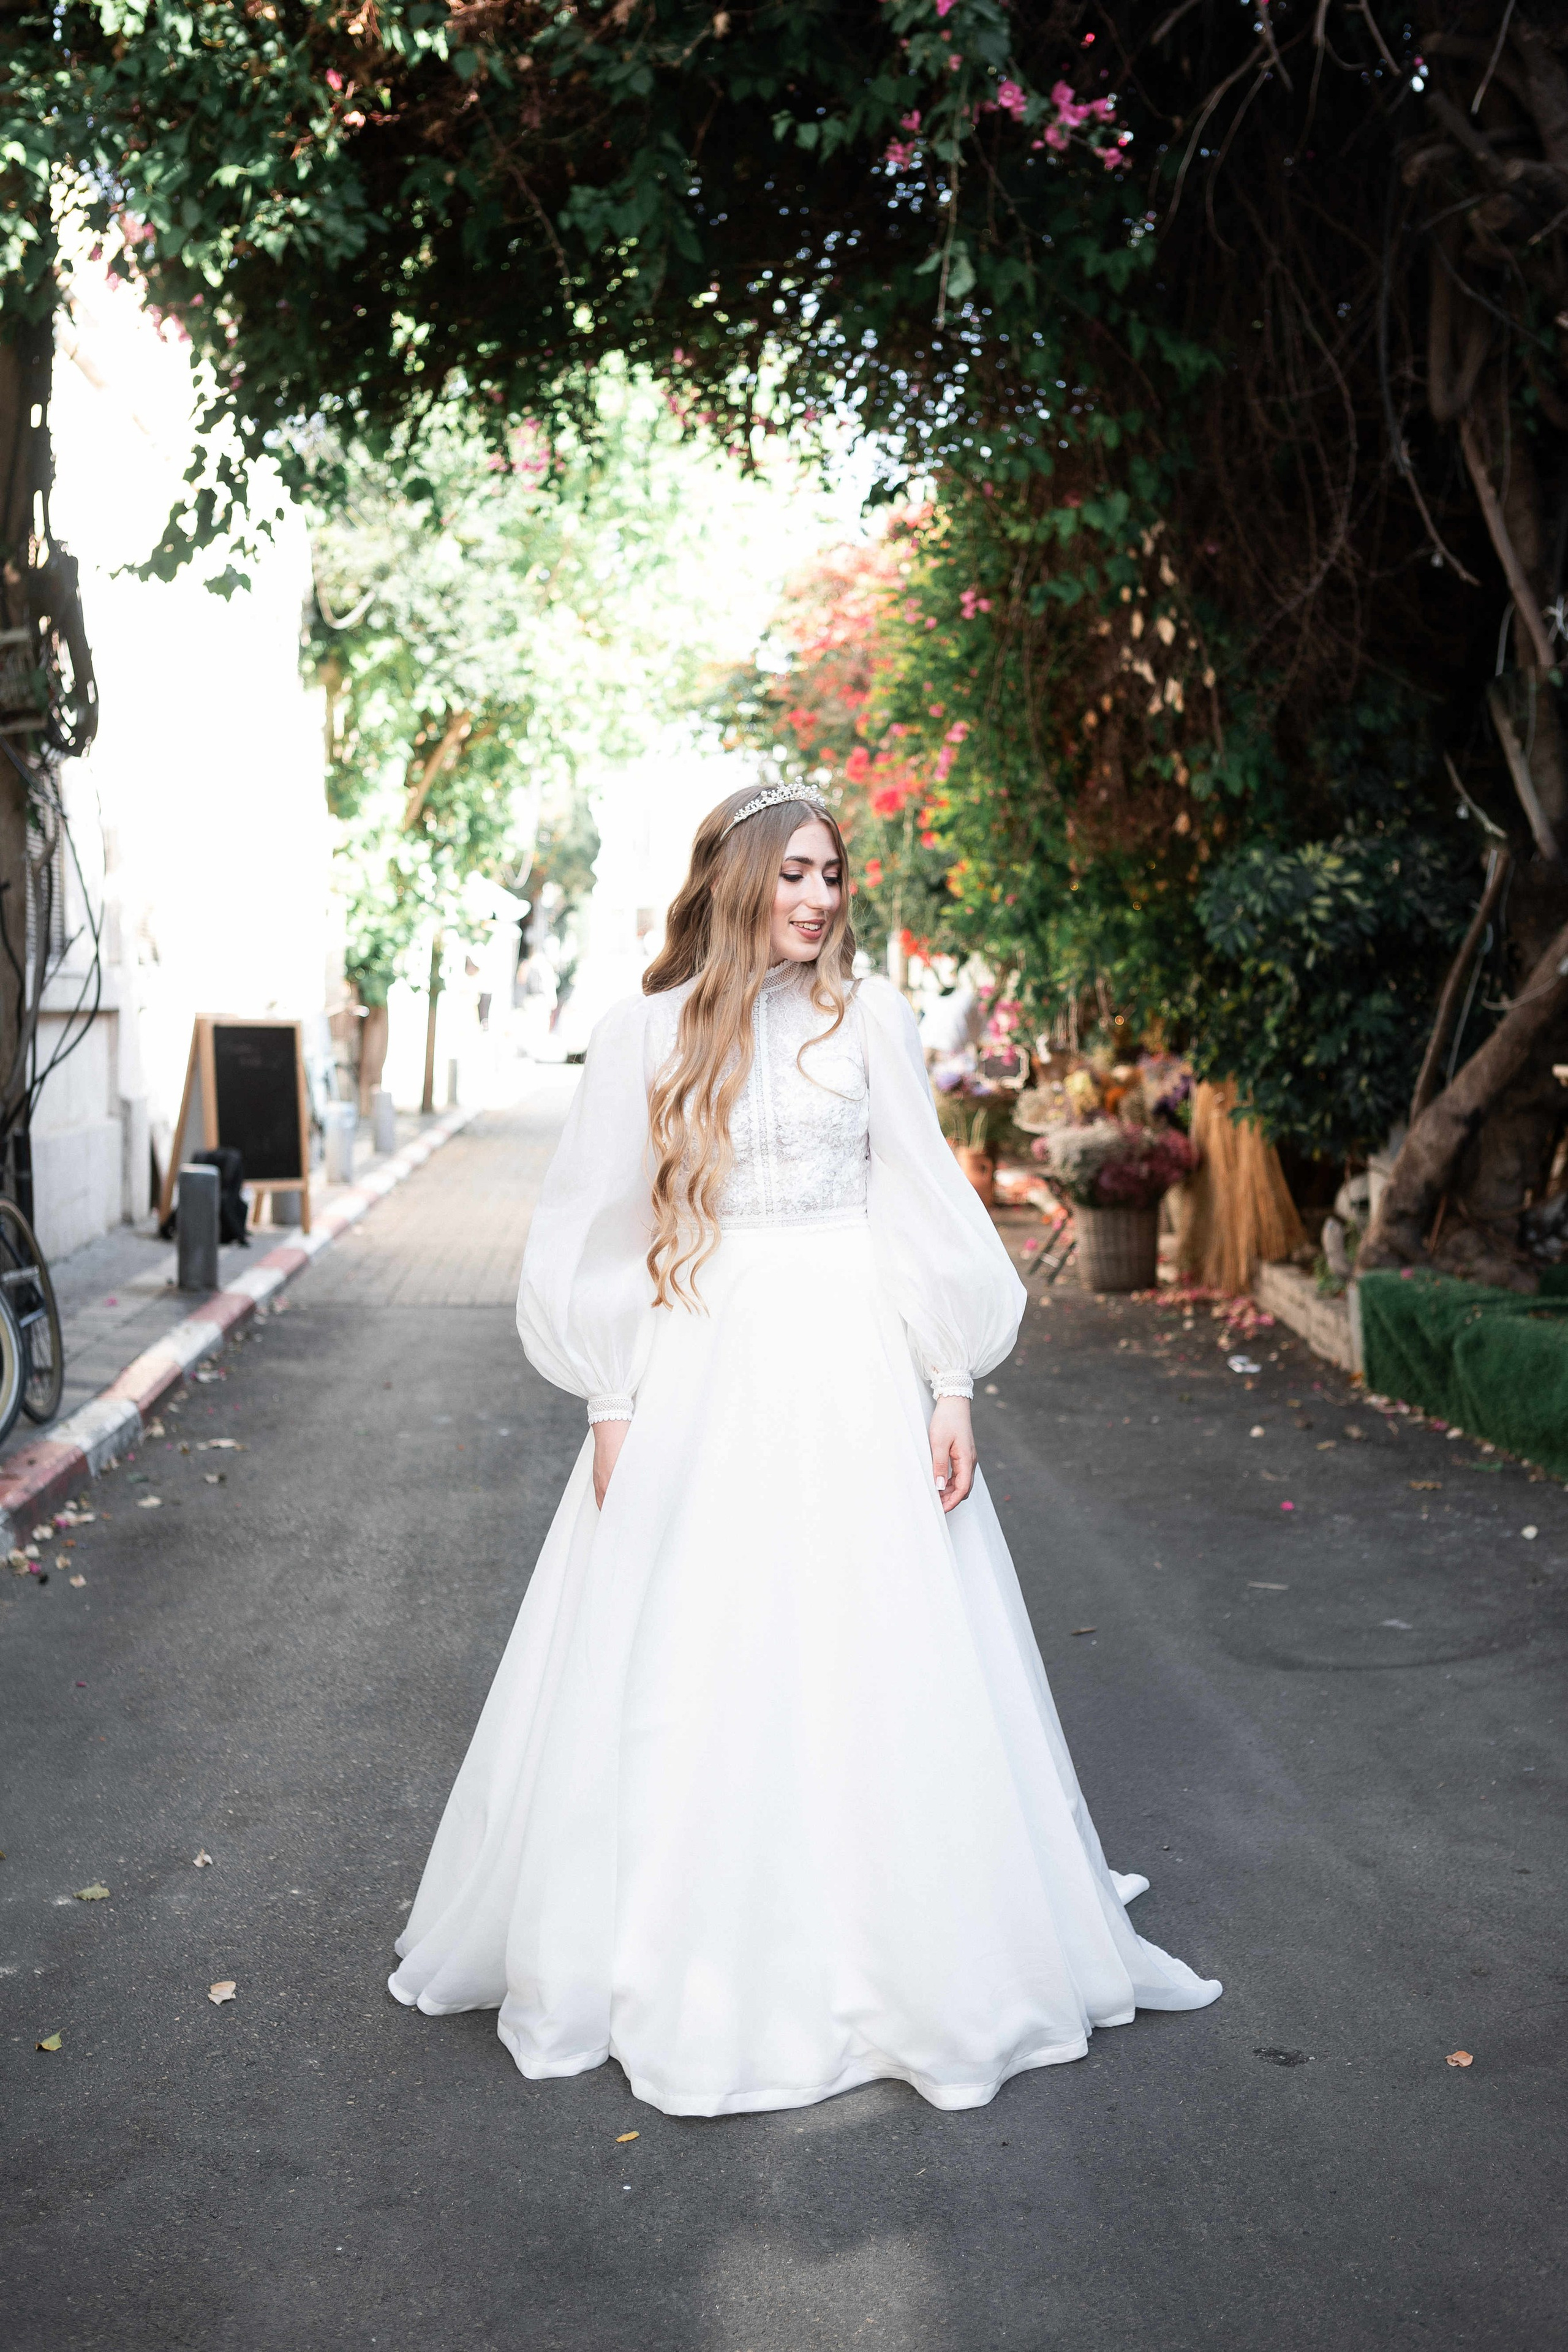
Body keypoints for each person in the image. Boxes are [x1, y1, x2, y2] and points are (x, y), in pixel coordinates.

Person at [388, 785, 1221, 2115]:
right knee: (690, 1644)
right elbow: (590, 1227)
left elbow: (920, 1203)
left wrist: (948, 1381)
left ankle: (901, 1933)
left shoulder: (869, 1016)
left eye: (832, 873)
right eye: (792, 876)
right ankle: (687, 1940)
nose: (820, 900)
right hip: (698, 1361)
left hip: (852, 1360)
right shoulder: (641, 1034)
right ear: (732, 882)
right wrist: (609, 1399)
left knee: (874, 1637)